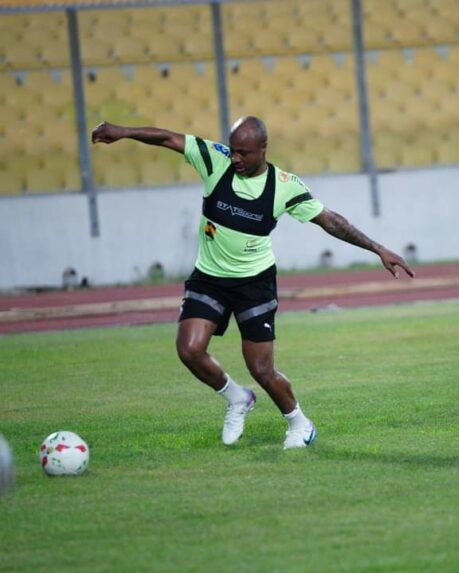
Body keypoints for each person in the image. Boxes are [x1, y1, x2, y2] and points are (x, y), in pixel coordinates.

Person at [91, 117, 414, 449]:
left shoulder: (285, 186)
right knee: (189, 350)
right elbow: (168, 139)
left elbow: (330, 220)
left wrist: (377, 248)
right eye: (233, 151)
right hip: (209, 277)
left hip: (254, 284)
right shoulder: (215, 160)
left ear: (263, 149)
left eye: (243, 153)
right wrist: (124, 132)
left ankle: (300, 424)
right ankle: (237, 398)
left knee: (262, 369)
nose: (235, 159)